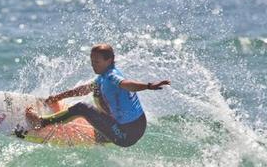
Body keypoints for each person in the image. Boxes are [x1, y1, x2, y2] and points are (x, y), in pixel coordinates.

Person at [25, 43, 170, 147]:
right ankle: (101, 135)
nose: (93, 65)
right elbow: (85, 89)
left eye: (97, 62)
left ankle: (41, 122)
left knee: (82, 107)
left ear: (109, 60)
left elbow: (127, 84)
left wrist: (149, 86)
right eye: (92, 61)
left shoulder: (112, 76)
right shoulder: (103, 76)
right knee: (96, 90)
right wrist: (60, 96)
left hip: (126, 135)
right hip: (135, 126)